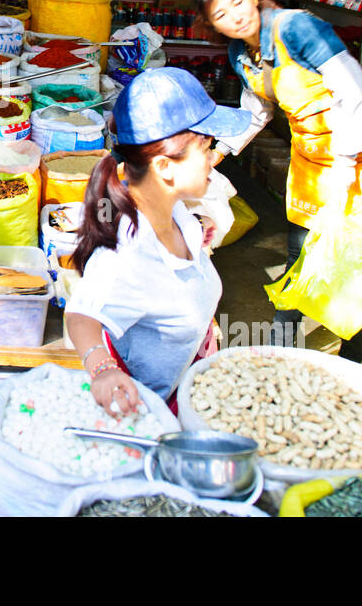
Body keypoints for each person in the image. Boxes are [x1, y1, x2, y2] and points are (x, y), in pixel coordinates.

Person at [194, 0, 362, 362]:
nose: (235, 16)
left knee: (350, 258)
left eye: (238, 2)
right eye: (221, 14)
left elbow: (355, 91)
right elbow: (257, 109)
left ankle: (350, 359)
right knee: (300, 254)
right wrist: (217, 152)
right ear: (212, 25)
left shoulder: (297, 29)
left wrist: (345, 166)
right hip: (312, 158)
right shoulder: (240, 52)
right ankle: (281, 354)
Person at [65, 67, 252, 418]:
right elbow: (81, 316)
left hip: (184, 396)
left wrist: (198, 239)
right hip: (145, 415)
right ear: (165, 166)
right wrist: (103, 370)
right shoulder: (129, 253)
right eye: (206, 147)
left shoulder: (178, 214)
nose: (214, 159)